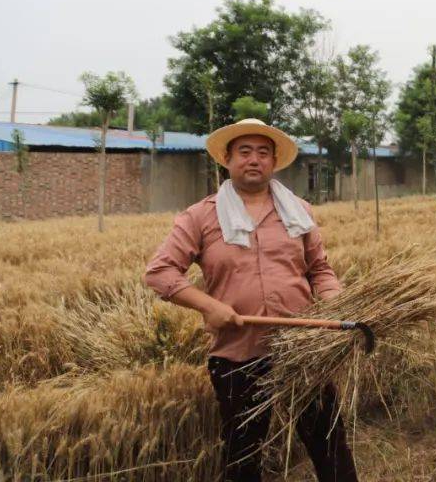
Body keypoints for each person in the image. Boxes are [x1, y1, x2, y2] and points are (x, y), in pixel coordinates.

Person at [144, 118, 359, 482]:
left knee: (328, 443)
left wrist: (336, 305)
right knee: (243, 453)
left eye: (263, 152)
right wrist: (209, 306)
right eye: (244, 151)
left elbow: (320, 269)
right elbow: (160, 272)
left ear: (274, 162)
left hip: (302, 347)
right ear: (227, 158)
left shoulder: (299, 212)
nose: (254, 160)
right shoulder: (200, 216)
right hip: (237, 354)